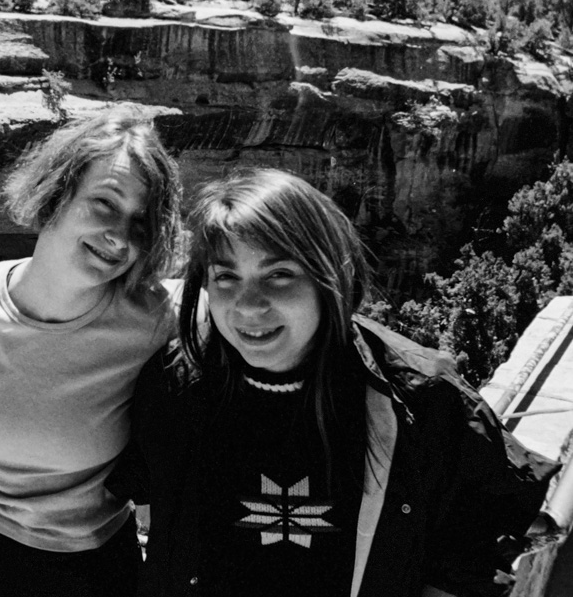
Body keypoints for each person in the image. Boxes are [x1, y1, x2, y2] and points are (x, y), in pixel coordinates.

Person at [106, 169, 557, 597]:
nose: (248, 306)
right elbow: (136, 494)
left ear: (329, 276)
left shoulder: (418, 397)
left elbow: (478, 535)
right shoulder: (176, 382)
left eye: (278, 274)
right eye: (226, 277)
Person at [0, 106, 183, 597]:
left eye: (141, 222)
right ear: (55, 194)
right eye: (105, 204)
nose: (120, 236)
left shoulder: (153, 318)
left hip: (90, 567)